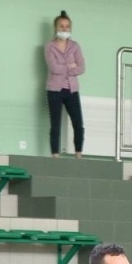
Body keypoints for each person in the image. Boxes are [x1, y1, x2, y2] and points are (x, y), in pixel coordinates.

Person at [45, 10, 86, 157]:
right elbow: (54, 68)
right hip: (54, 90)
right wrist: (70, 66)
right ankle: (55, 154)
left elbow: (82, 67)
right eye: (61, 26)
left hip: (71, 90)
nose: (64, 29)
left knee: (78, 124)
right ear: (56, 28)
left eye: (67, 26)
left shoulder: (75, 46)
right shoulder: (49, 46)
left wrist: (67, 68)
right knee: (55, 124)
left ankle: (78, 153)